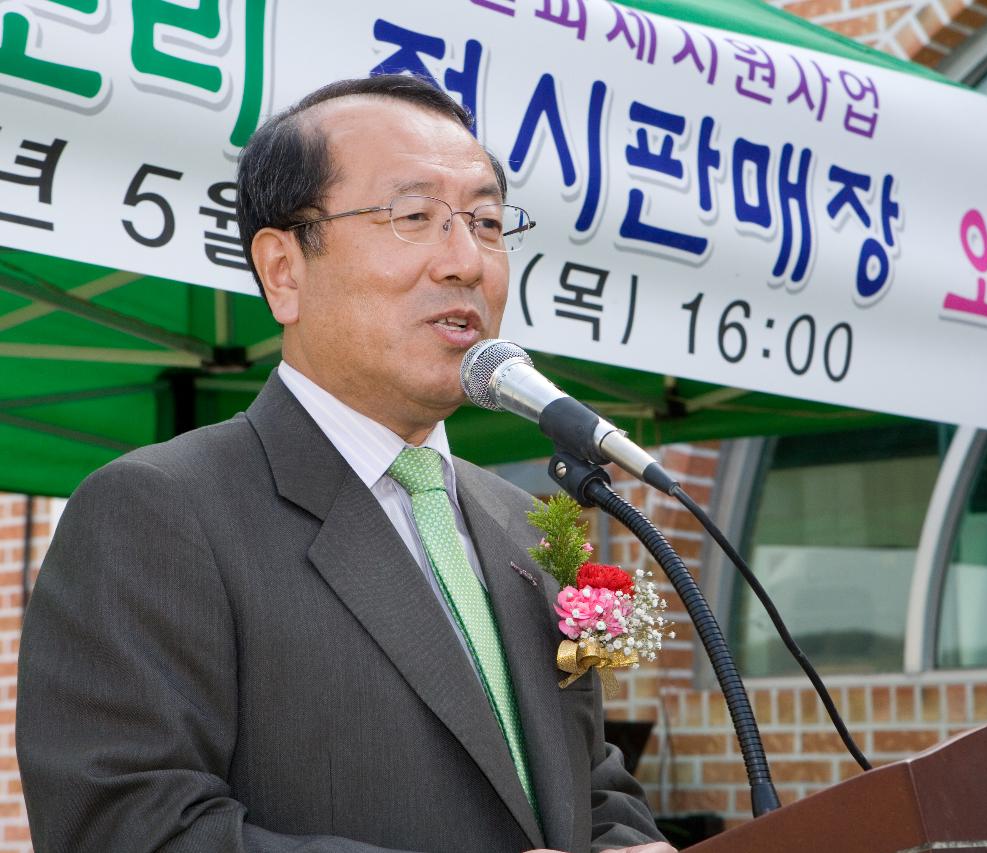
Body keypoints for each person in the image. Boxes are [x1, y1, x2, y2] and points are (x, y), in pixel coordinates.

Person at [16, 75, 676, 853]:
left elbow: (587, 782)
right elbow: (129, 827)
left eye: (488, 222)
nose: (466, 260)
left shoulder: (522, 522)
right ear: (283, 270)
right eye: (414, 216)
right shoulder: (160, 510)